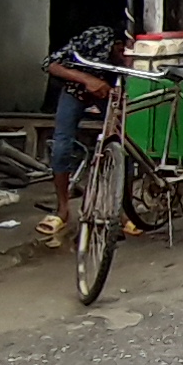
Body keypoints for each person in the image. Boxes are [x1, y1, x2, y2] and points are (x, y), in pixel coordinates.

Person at [36, 25, 122, 246]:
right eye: (123, 50)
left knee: (125, 143)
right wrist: (86, 79)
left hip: (113, 95)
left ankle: (121, 211)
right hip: (76, 91)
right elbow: (50, 63)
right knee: (61, 146)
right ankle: (63, 208)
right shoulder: (98, 36)